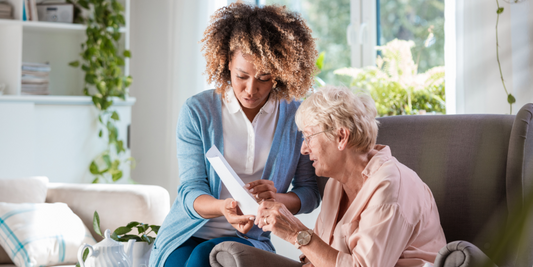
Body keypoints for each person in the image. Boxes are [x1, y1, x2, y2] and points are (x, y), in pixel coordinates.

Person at [149, 3, 321, 267]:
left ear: (279, 73)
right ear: (228, 62)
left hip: (249, 236)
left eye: (264, 78)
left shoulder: (296, 118)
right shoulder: (198, 111)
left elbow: (309, 193)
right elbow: (190, 189)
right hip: (188, 231)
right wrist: (223, 208)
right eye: (242, 76)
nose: (251, 89)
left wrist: (275, 199)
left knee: (201, 260)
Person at [255, 86, 447, 267]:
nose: (304, 149)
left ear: (341, 137)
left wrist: (295, 232)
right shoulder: (334, 185)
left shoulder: (391, 186)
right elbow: (320, 257)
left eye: (309, 137)